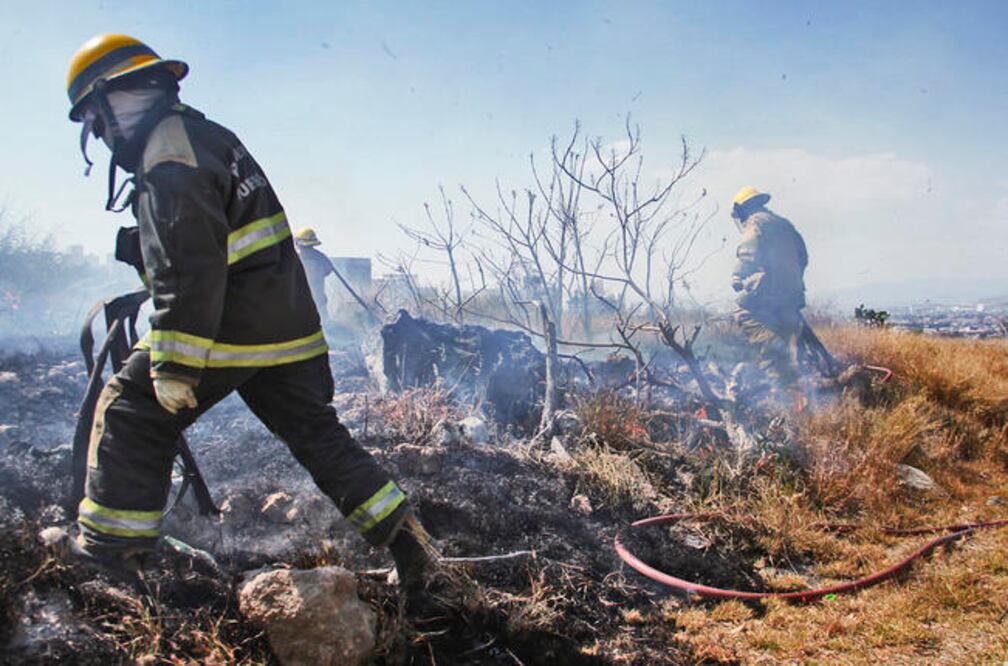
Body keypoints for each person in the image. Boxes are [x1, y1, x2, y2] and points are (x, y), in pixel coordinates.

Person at [64, 33, 440, 610]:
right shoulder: (207, 136)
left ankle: (113, 563)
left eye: (94, 118)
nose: (98, 132)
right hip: (290, 330)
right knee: (320, 438)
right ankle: (413, 549)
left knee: (133, 408)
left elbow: (189, 269)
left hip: (228, 325)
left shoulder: (168, 156)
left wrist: (174, 364)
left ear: (117, 98)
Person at [729, 187, 809, 396]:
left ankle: (787, 388)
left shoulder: (755, 222)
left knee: (743, 313)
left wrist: (738, 276)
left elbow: (749, 251)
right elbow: (803, 256)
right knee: (786, 333)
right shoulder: (784, 223)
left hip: (769, 290)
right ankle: (792, 374)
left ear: (742, 209)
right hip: (794, 293)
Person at [293, 227, 336, 330]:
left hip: (299, 300)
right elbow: (328, 269)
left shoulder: (295, 257)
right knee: (323, 326)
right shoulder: (320, 257)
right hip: (319, 300)